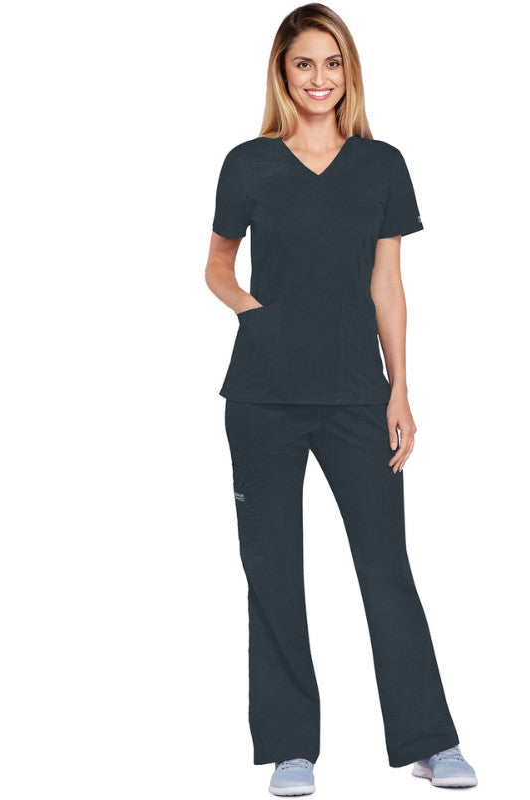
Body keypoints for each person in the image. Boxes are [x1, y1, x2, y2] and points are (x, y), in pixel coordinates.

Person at [204, 4, 478, 795]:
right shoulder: (249, 163)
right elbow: (217, 265)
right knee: (273, 572)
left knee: (385, 565)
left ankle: (430, 741)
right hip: (261, 397)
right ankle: (291, 749)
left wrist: (401, 389)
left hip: (359, 395)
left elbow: (388, 283)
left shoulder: (382, 164)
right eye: (304, 64)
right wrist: (255, 315)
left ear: (348, 73)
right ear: (283, 74)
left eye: (332, 63)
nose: (318, 78)